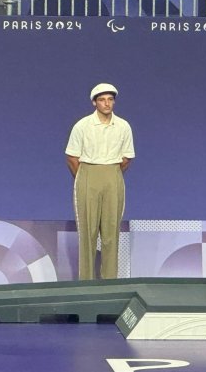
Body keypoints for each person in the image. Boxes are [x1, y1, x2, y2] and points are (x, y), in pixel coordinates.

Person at [65, 83, 134, 280]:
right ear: (95, 102)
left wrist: (110, 173)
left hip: (113, 174)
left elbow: (127, 158)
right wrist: (86, 177)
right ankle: (86, 283)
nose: (107, 104)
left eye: (110, 99)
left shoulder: (123, 126)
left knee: (111, 232)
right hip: (87, 174)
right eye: (102, 100)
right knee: (88, 233)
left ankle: (110, 282)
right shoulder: (82, 125)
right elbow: (71, 156)